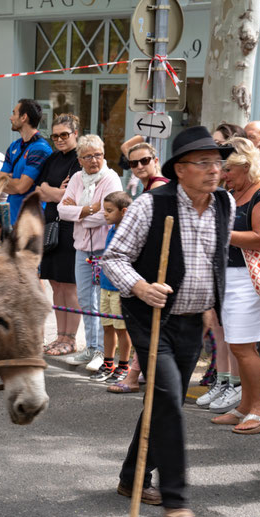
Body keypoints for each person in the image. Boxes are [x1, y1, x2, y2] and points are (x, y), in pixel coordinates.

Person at [101, 126, 235, 517]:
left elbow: (217, 258)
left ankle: (132, 477)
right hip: (151, 318)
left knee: (166, 402)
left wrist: (213, 305)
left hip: (193, 319)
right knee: (169, 398)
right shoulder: (150, 206)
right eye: (204, 163)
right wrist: (141, 286)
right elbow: (113, 258)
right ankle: (176, 497)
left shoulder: (224, 204)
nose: (214, 170)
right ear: (179, 169)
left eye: (217, 162)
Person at [207, 137, 260, 431]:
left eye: (229, 170)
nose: (224, 175)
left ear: (246, 167)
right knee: (239, 347)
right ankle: (246, 406)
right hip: (231, 278)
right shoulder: (234, 195)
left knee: (243, 347)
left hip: (249, 280)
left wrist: (223, 234)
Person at [108, 142, 170, 394]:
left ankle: (135, 375)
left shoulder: (159, 186)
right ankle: (140, 373)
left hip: (155, 266)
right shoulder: (148, 186)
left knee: (149, 327)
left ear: (156, 159)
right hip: (146, 264)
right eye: (133, 163)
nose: (139, 166)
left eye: (145, 160)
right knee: (148, 326)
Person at [58, 134, 123, 372]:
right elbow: (61, 210)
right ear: (80, 159)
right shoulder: (76, 178)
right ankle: (91, 347)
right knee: (85, 300)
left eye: (98, 154)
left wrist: (80, 215)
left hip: (103, 249)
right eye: (88, 156)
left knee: (101, 302)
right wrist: (88, 209)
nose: (94, 160)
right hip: (81, 248)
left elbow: (108, 214)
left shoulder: (110, 178)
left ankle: (102, 352)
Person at [33, 114, 81, 356]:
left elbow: (69, 197)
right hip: (50, 226)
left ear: (75, 134)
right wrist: (54, 191)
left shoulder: (79, 160)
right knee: (55, 284)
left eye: (65, 134)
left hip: (70, 228)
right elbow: (39, 191)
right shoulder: (53, 159)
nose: (60, 139)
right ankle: (60, 335)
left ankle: (70, 338)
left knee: (69, 286)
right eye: (55, 136)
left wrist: (52, 192)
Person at [93, 191, 134, 383]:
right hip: (106, 286)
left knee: (122, 330)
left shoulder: (128, 233)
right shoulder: (111, 229)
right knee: (107, 326)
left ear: (124, 211)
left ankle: (124, 365)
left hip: (120, 290)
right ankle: (108, 363)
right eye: (104, 210)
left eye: (109, 211)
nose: (105, 214)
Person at [0, 98, 52, 222]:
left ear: (24, 117)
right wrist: (10, 181)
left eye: (14, 113)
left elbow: (21, 187)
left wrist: (9, 179)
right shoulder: (14, 146)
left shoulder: (40, 149)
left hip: (29, 222)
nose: (10, 118)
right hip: (10, 218)